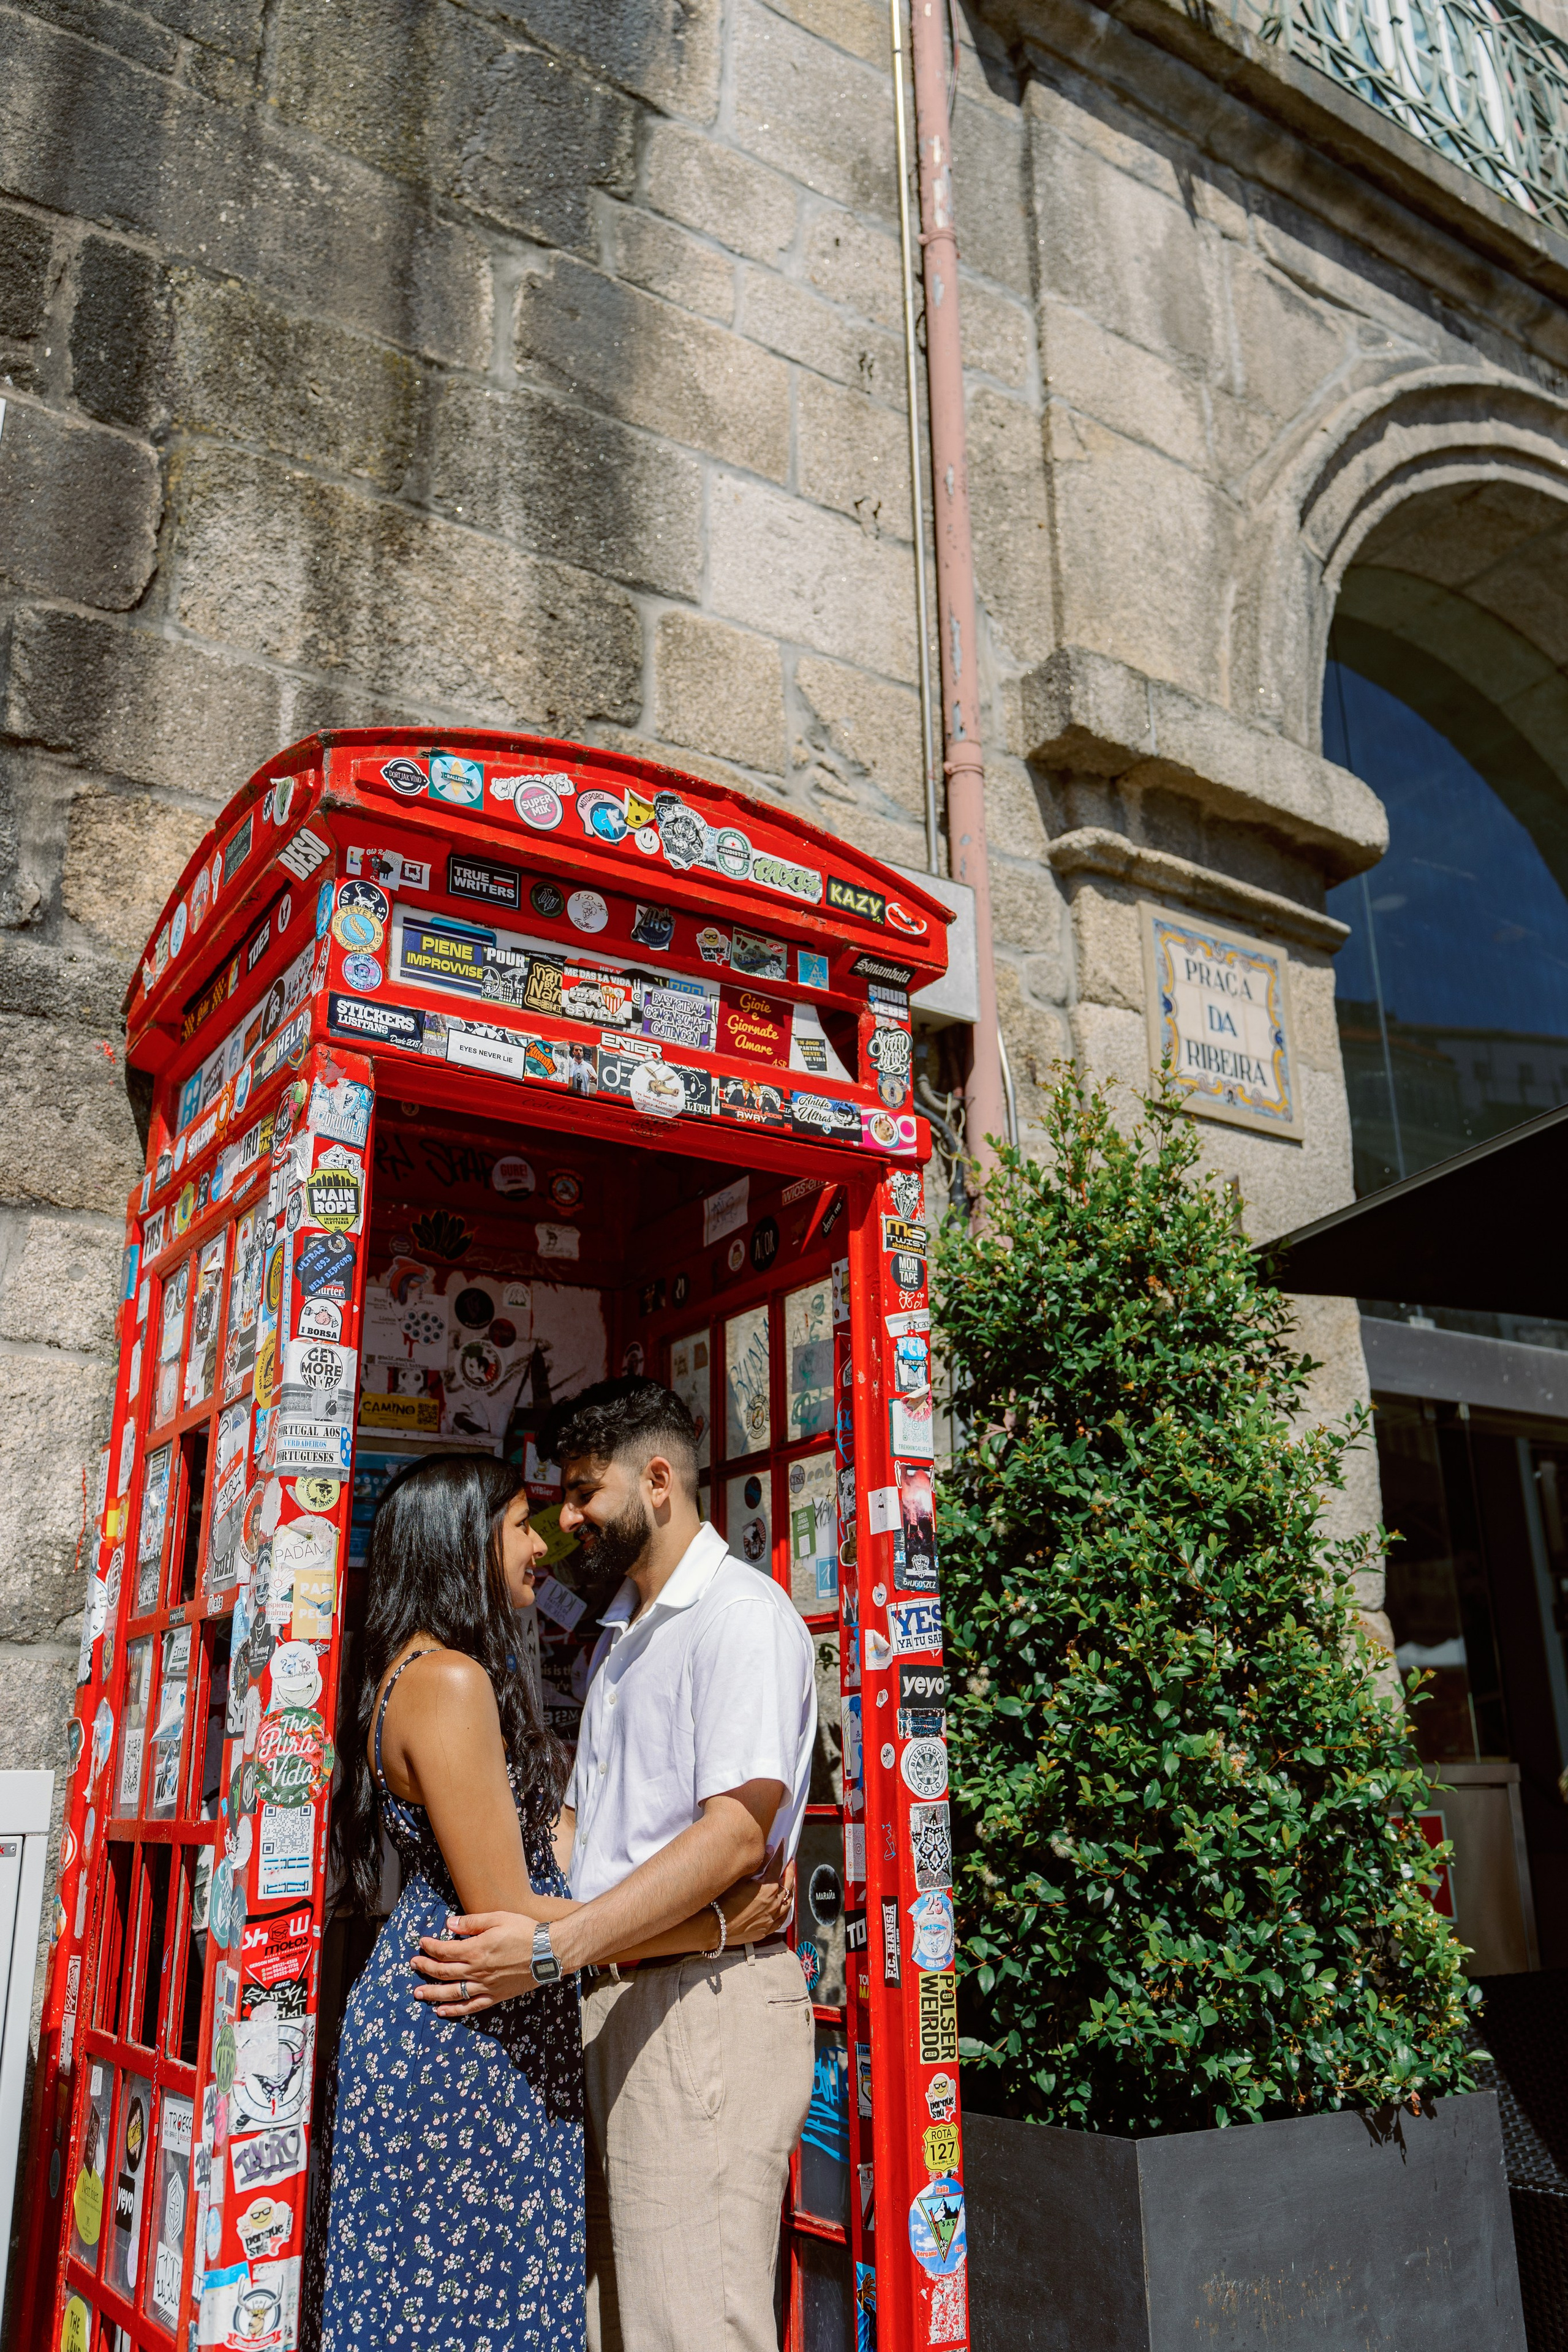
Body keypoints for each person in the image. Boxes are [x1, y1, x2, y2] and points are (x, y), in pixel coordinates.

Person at [314, 1451, 788, 2351]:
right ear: (465, 1540)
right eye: (520, 1524)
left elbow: (536, 1860)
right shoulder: (450, 1682)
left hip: (446, 2007)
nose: (541, 1544)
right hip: (468, 2030)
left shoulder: (406, 1671)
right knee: (474, 2312)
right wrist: (713, 1925)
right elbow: (507, 1905)